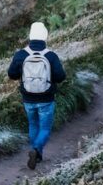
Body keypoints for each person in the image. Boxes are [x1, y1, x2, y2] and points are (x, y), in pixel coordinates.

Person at [7, 22, 66, 170]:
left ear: (30, 36)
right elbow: (60, 77)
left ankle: (37, 153)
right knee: (45, 128)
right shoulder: (51, 56)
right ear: (45, 37)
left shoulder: (20, 55)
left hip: (28, 98)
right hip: (46, 98)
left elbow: (12, 75)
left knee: (33, 125)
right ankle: (36, 150)